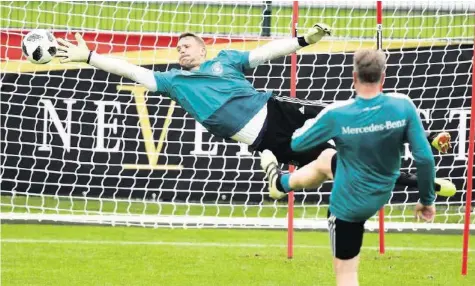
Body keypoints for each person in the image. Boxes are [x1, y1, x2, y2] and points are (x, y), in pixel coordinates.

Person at [54, 25, 453, 193]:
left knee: (351, 121)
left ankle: (422, 160)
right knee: (343, 165)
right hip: (267, 139)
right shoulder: (175, 83)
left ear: (204, 49)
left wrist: (302, 40)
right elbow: (133, 70)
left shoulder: (226, 60)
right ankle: (420, 176)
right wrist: (89, 55)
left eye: (187, 46)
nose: (181, 50)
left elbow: (264, 53)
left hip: (280, 112)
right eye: (178, 48)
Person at [260, 49, 453, 286]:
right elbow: (424, 159)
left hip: (347, 207)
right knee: (327, 159)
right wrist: (427, 199)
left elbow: (298, 143)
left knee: (347, 275)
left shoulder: (338, 113)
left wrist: (314, 123)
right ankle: (281, 184)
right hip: (381, 192)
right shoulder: (403, 105)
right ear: (383, 76)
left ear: (353, 76)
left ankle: (280, 184)